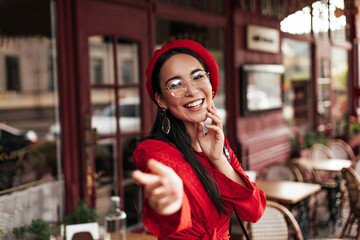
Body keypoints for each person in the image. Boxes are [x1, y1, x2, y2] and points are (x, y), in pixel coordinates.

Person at [132, 39, 266, 239]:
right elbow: (169, 213)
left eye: (198, 77)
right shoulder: (154, 152)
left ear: (211, 85)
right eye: (176, 84)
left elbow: (254, 211)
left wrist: (218, 159)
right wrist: (171, 201)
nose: (192, 90)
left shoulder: (219, 145)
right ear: (161, 100)